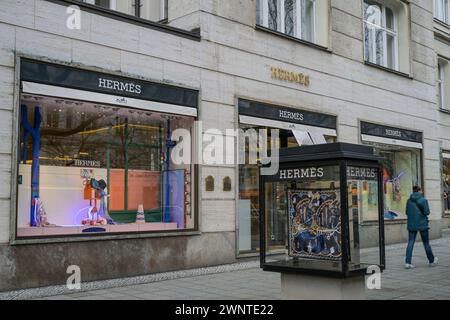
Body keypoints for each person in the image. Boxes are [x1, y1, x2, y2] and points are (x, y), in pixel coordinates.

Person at [404, 186, 438, 269]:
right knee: (426, 243)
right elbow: (427, 212)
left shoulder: (408, 201)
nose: (422, 192)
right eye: (421, 190)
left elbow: (407, 212)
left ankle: (407, 263)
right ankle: (431, 260)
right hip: (422, 224)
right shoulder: (423, 200)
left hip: (411, 224)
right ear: (419, 191)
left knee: (410, 242)